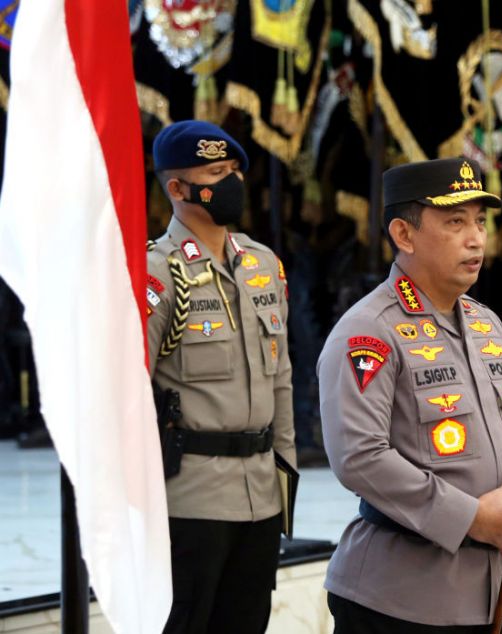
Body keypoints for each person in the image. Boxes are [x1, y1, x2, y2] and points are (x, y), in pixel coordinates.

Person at [318, 157, 502, 632]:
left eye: (480, 222)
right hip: (398, 599)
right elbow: (359, 457)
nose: (476, 238)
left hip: (486, 595)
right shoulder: (370, 330)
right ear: (404, 236)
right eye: (454, 222)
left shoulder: (486, 322)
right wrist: (471, 518)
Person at [145, 120, 295, 634]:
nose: (231, 182)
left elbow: (282, 382)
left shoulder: (262, 264)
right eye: (215, 173)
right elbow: (130, 391)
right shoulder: (157, 273)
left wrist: (285, 479)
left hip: (260, 494)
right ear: (177, 188)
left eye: (234, 170)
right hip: (191, 498)